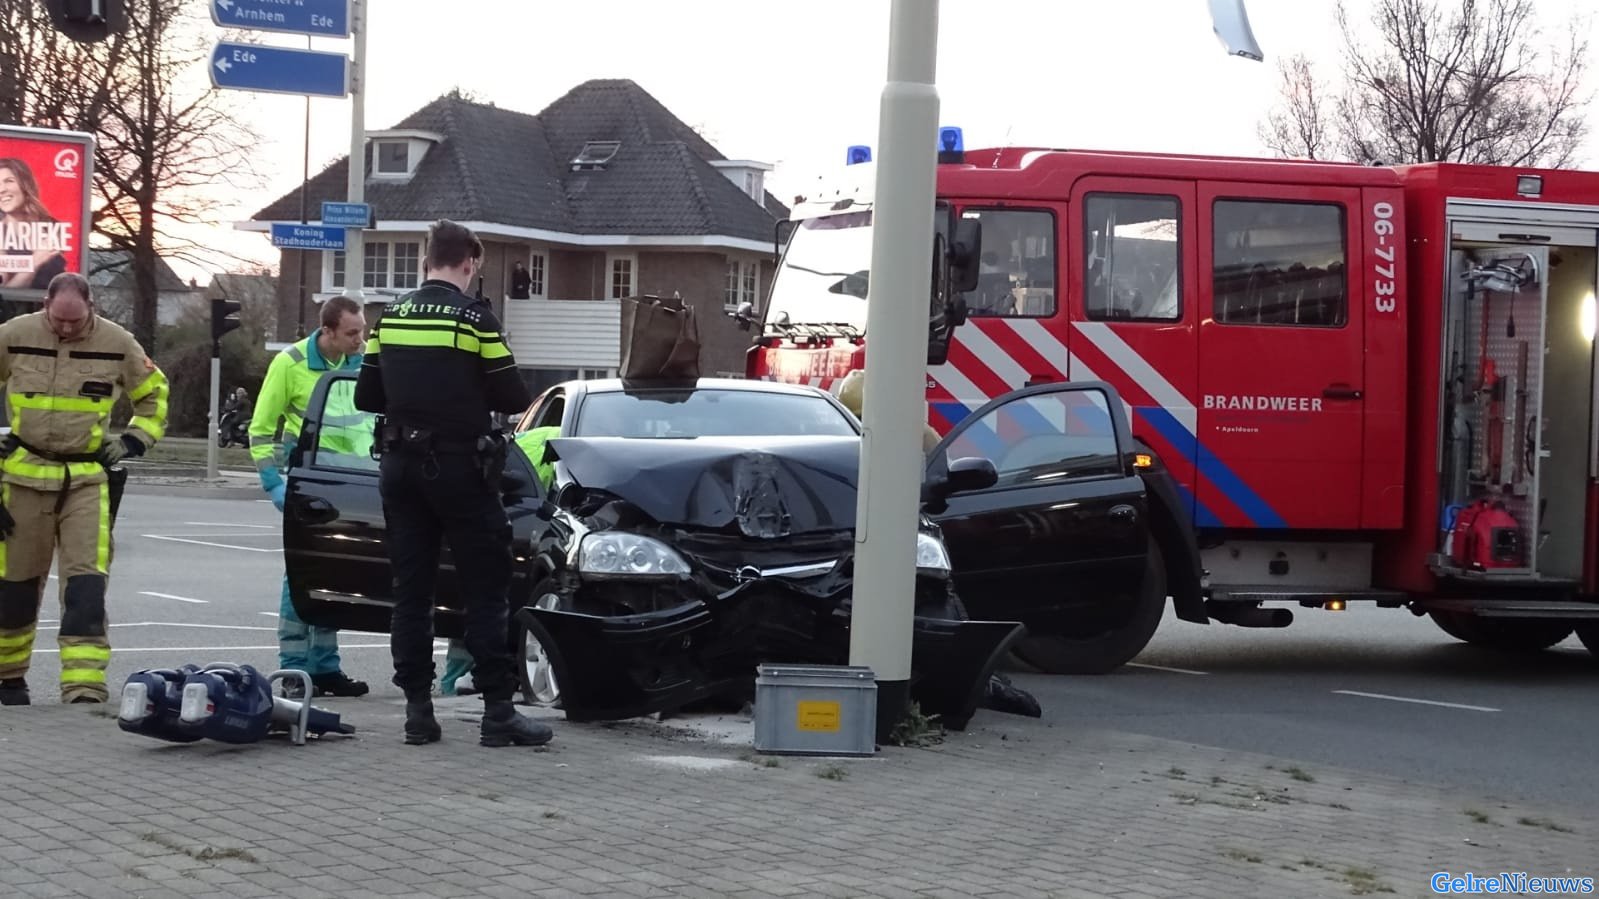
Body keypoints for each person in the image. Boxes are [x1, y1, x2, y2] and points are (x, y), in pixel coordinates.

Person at [354, 219, 550, 748]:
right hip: (461, 469)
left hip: (399, 468)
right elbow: (511, 396)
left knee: (410, 594)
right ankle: (498, 713)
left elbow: (366, 399)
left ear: (425, 262)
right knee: (486, 589)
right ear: (469, 263)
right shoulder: (474, 320)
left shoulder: (389, 317)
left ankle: (418, 711)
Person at [0, 272, 168, 705]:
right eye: (59, 321)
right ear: (45, 305)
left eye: (76, 321)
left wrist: (133, 440)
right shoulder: (14, 336)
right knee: (14, 587)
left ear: (92, 305)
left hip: (86, 481)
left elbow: (154, 394)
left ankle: (84, 687)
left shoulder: (118, 342)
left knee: (86, 588)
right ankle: (8, 679)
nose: (68, 329)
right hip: (22, 477)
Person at [248, 295, 370, 699]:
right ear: (328, 331)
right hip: (309, 484)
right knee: (300, 577)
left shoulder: (363, 362)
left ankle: (325, 668)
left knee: (335, 576)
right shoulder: (291, 364)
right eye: (352, 333)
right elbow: (261, 430)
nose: (360, 339)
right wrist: (275, 486)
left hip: (351, 483)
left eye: (363, 330)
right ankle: (295, 670)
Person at [0, 158, 68, 291]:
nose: (1, 189)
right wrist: (35, 261)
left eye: (9, 181)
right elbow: (5, 292)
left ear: (25, 184)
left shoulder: (53, 226)